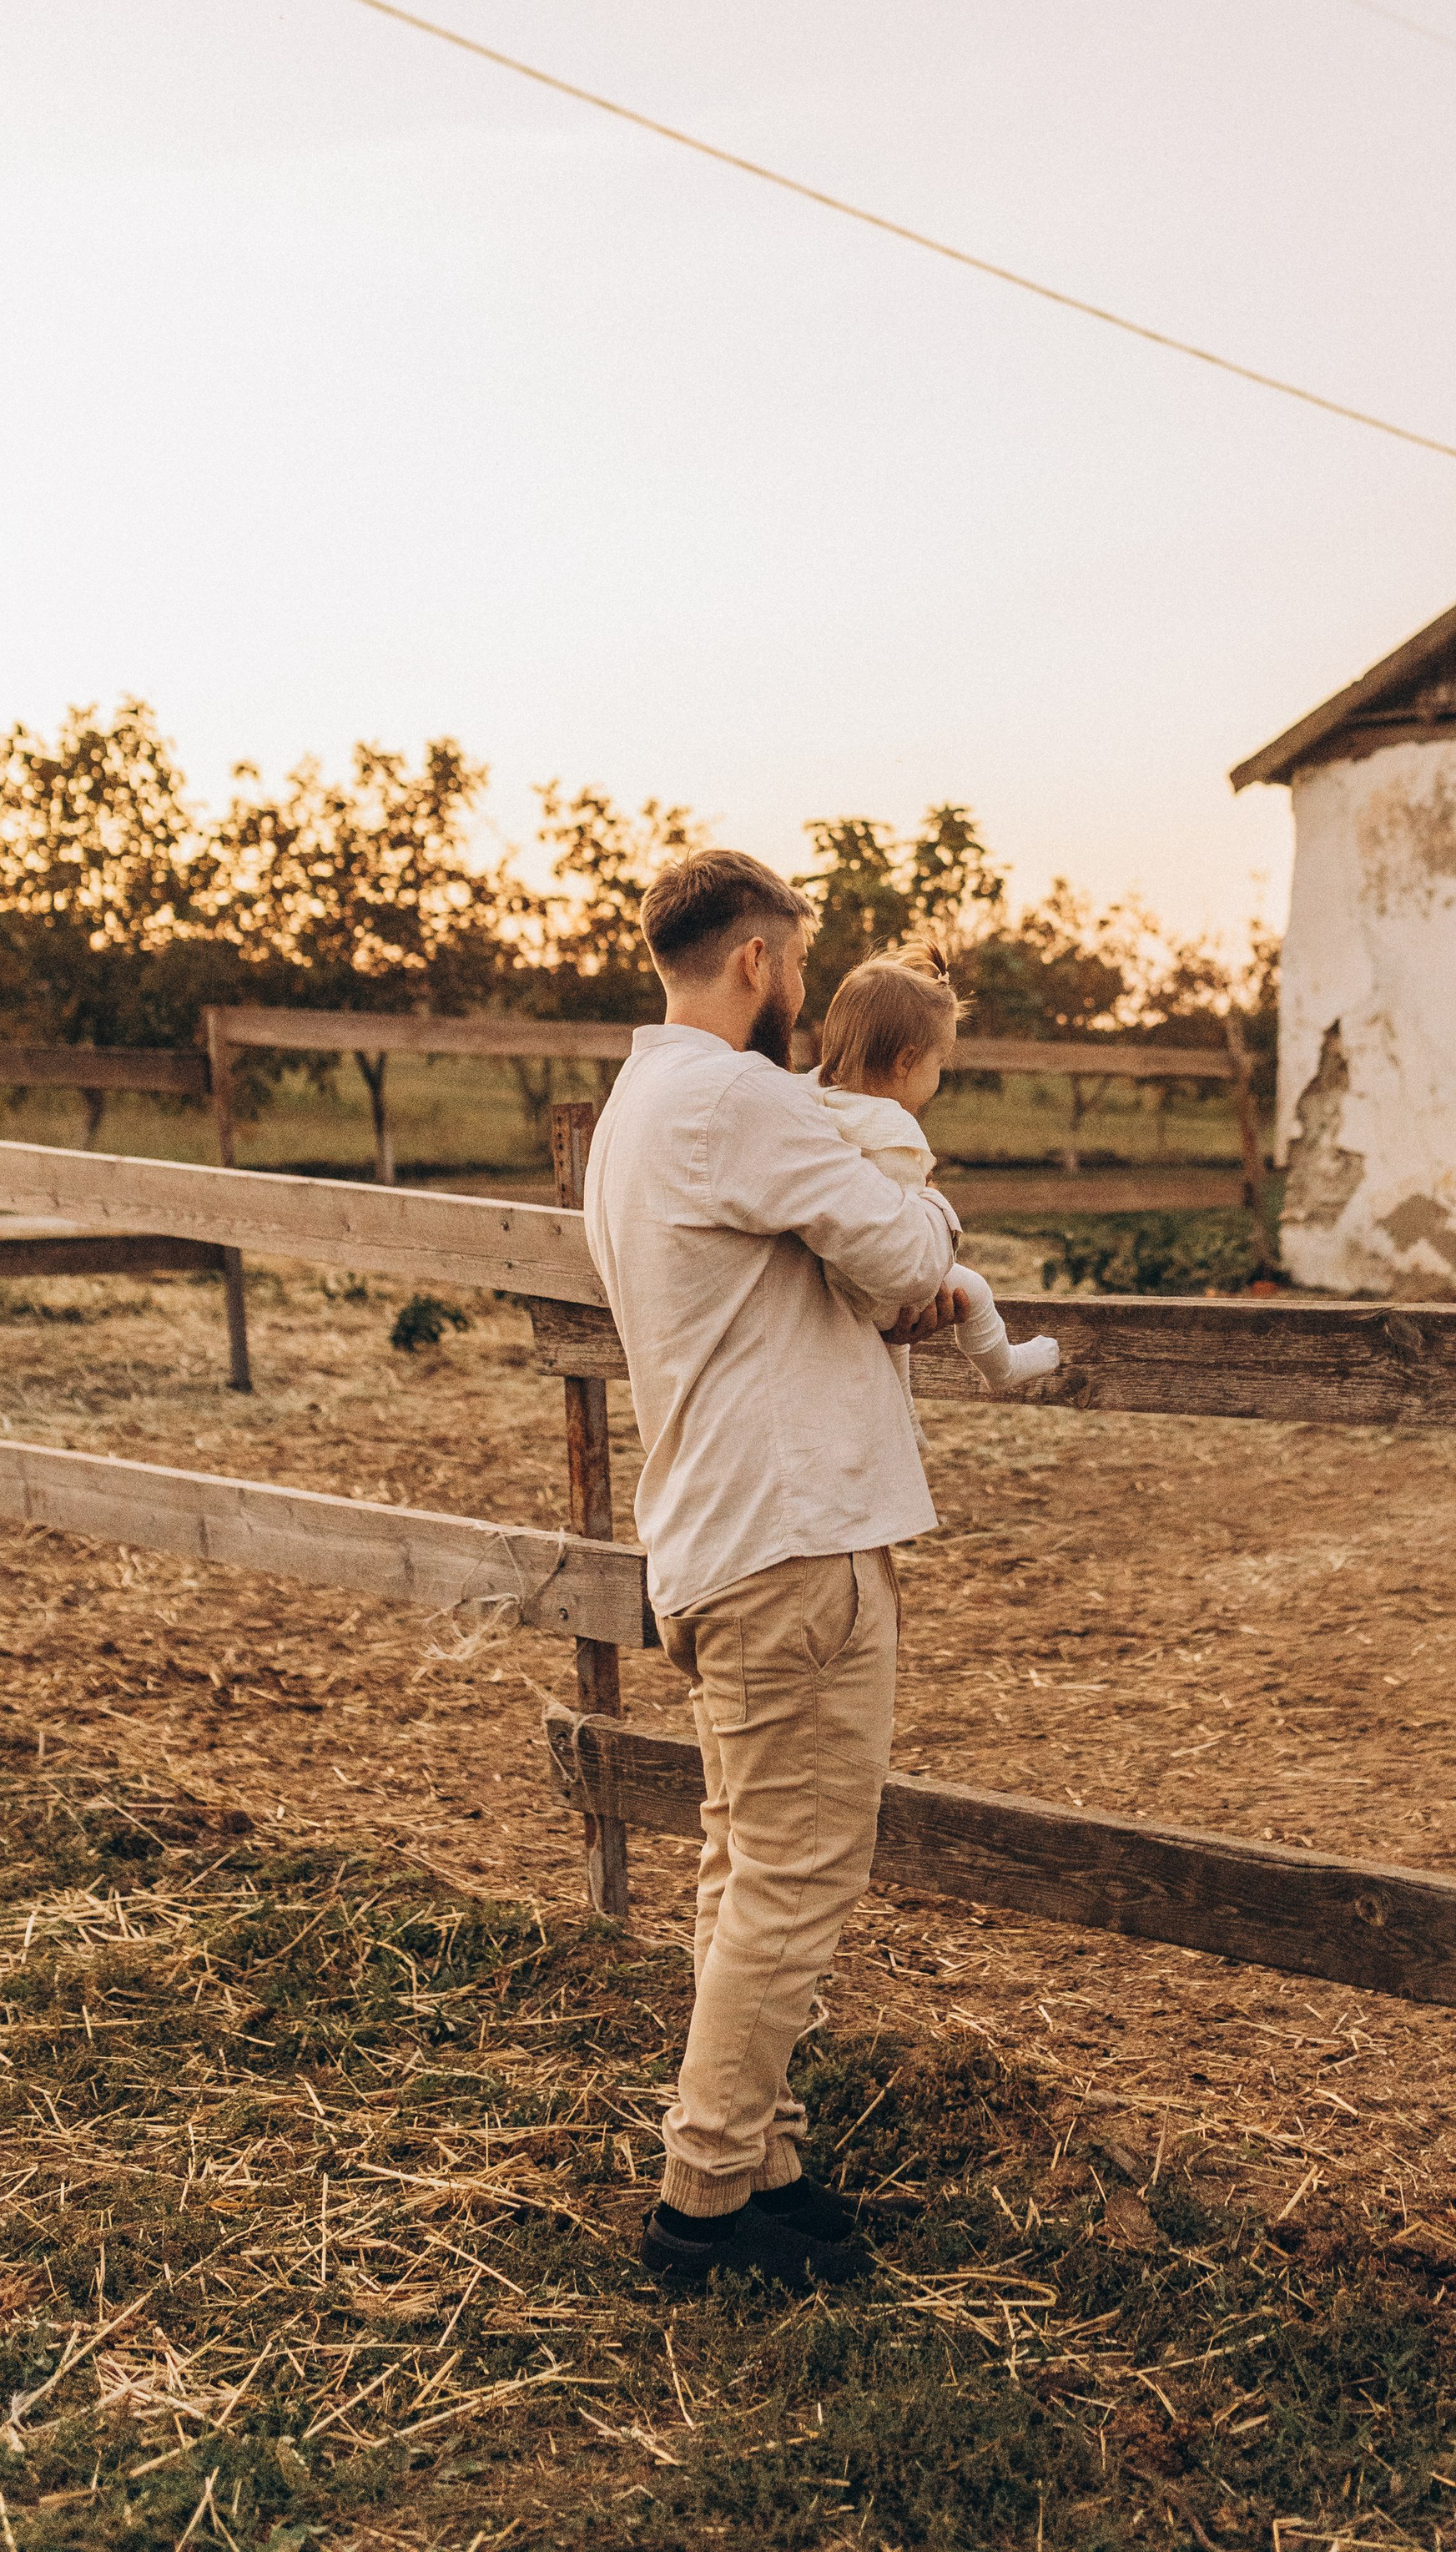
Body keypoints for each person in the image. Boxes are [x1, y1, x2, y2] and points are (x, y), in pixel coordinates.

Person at [581, 850, 961, 2292]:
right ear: (756, 960)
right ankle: (703, 2205)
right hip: (794, 1543)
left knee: (746, 1865)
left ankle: (763, 2157)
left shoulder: (637, 1112)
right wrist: (921, 1232)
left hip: (716, 1537)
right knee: (796, 1874)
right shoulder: (736, 1097)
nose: (805, 990)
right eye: (797, 960)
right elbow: (902, 1254)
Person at [812, 950, 1059, 1396]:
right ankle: (1002, 1367)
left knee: (895, 1353)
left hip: (829, 1283)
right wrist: (933, 1201)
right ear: (906, 1062)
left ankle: (904, 1411)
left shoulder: (813, 1102)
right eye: (938, 1063)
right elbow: (905, 1241)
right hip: (881, 1292)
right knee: (976, 1291)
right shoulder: (892, 1128)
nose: (938, 1076)